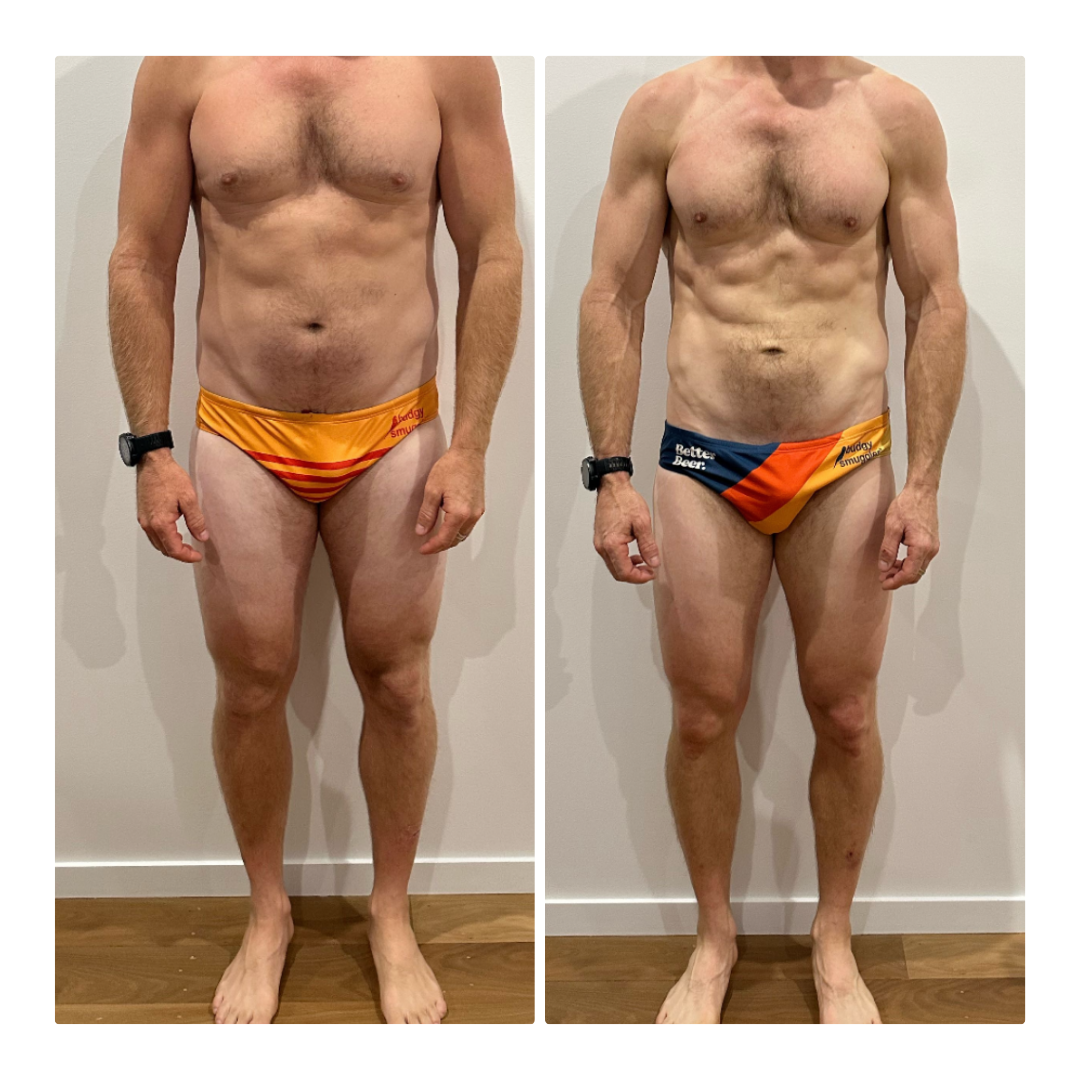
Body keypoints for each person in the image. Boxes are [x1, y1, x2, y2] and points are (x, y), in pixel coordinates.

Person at [109, 54, 522, 1025]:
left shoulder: (445, 65)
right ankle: (268, 913)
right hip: (243, 430)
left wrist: (473, 441)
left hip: (396, 428)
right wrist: (151, 449)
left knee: (398, 677)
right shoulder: (184, 68)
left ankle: (389, 913)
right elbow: (140, 255)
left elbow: (494, 247)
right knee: (252, 680)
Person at [578, 55, 965, 1025]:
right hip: (703, 460)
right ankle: (715, 940)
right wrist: (610, 471)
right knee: (703, 714)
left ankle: (833, 942)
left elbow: (937, 302)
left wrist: (923, 481)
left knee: (844, 711)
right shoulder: (665, 110)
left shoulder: (895, 114)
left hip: (845, 458)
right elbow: (611, 297)